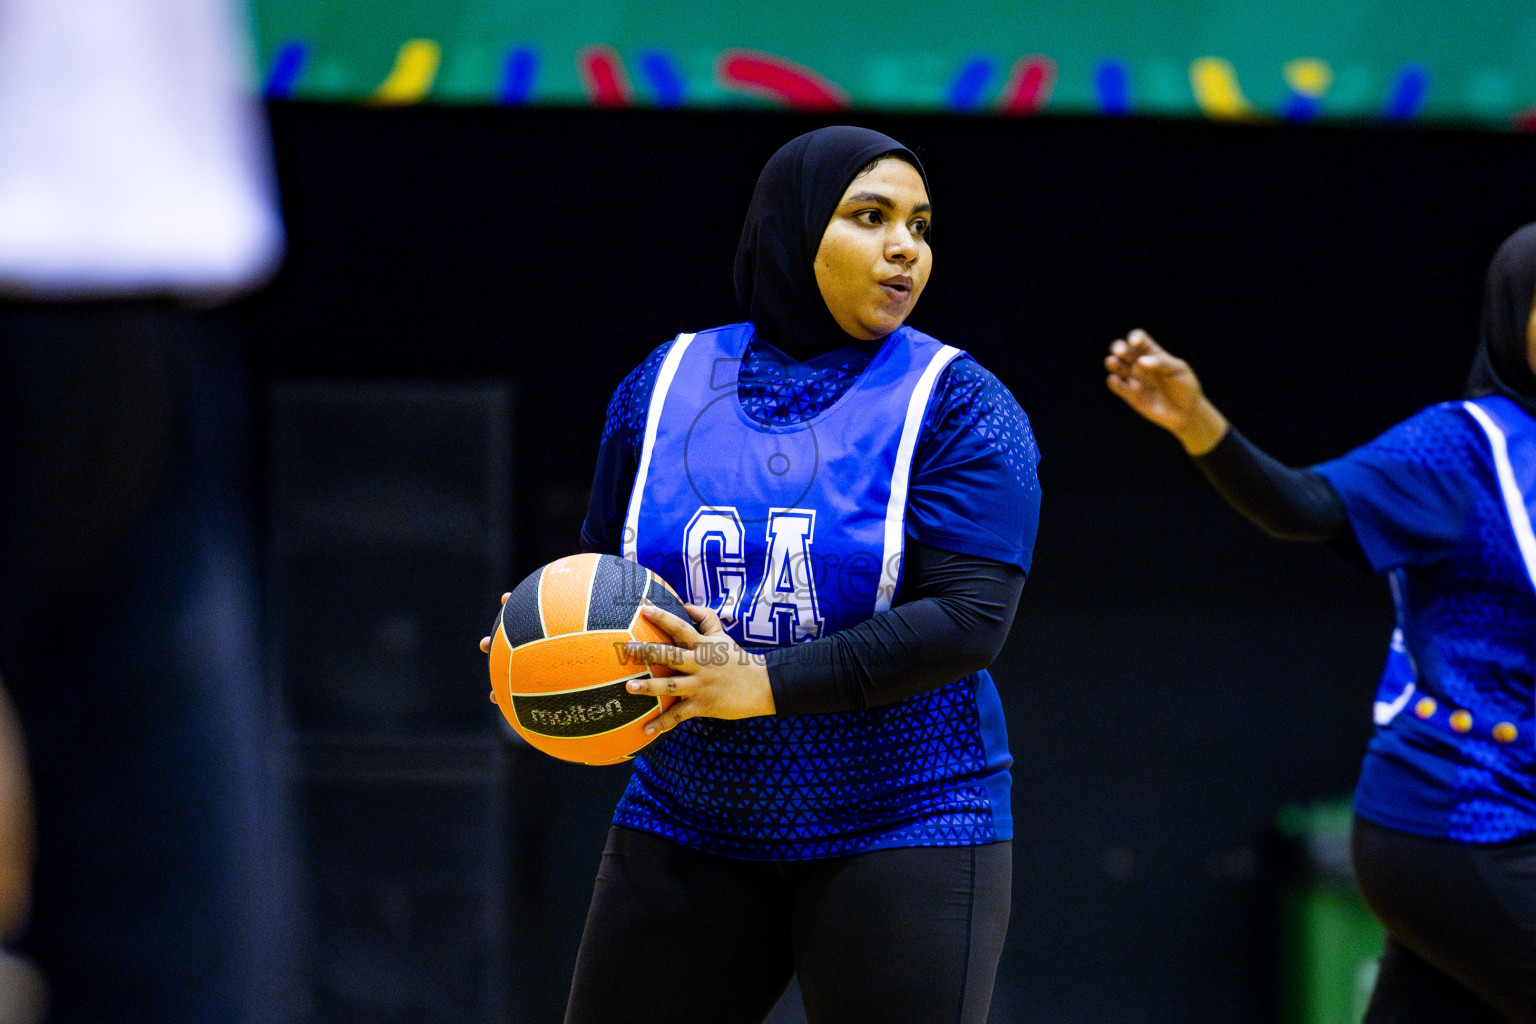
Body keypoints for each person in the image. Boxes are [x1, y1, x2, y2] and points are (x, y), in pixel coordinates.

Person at [502, 125, 1040, 1023]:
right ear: (788, 229)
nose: (906, 247)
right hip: (691, 809)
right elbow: (605, 572)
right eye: (871, 217)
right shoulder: (662, 383)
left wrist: (761, 683)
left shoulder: (963, 402)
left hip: (904, 816)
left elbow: (968, 619)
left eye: (921, 224)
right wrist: (540, 636)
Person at [1104, 223, 1536, 1023]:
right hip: (1464, 819)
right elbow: (1303, 506)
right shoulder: (1460, 449)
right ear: (1517, 315)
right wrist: (1202, 425)